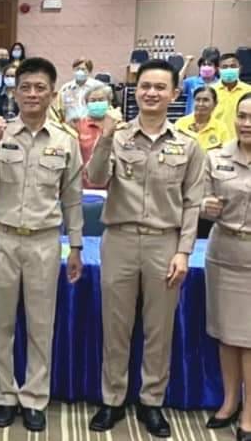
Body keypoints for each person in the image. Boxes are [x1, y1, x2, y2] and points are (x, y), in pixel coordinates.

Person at [86, 59, 205, 438]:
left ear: (174, 94)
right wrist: (105, 138)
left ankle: (152, 401)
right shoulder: (118, 135)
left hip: (163, 242)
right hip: (119, 239)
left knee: (159, 328)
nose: (151, 93)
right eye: (145, 86)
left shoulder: (188, 145)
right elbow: (96, 178)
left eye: (159, 87)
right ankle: (112, 399)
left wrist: (184, 251)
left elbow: (193, 203)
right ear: (135, 92)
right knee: (115, 326)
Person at [0, 57, 83, 432]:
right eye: (25, 87)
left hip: (44, 240)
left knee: (41, 324)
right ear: (15, 92)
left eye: (40, 88)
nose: (32, 94)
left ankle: (35, 397)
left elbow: (72, 198)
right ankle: (4, 396)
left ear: (52, 94)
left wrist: (76, 246)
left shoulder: (66, 141)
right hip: (2, 237)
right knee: (0, 322)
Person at [200, 93, 251, 439]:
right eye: (242, 116)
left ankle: (249, 412)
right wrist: (206, 206)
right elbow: (199, 200)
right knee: (226, 335)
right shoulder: (216, 157)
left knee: (249, 339)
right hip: (223, 254)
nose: (247, 124)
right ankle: (230, 401)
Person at [76, 83, 118, 189]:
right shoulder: (78, 126)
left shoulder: (119, 127)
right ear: (86, 104)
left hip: (112, 189)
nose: (97, 103)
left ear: (109, 102)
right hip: (84, 187)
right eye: (93, 101)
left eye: (101, 100)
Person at [175, 86, 230, 152]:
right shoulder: (180, 124)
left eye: (206, 100)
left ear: (215, 104)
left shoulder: (221, 128)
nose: (200, 104)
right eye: (197, 100)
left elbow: (226, 152)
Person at [213, 53, 251, 141]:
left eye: (233, 66)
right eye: (225, 67)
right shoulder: (211, 92)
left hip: (243, 141)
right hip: (216, 142)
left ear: (240, 68)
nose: (229, 69)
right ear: (218, 70)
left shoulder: (249, 91)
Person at [57, 58, 103, 123]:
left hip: (92, 125)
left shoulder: (98, 87)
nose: (80, 72)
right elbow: (59, 109)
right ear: (73, 70)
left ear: (89, 71)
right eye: (77, 69)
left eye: (83, 69)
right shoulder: (65, 88)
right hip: (70, 126)